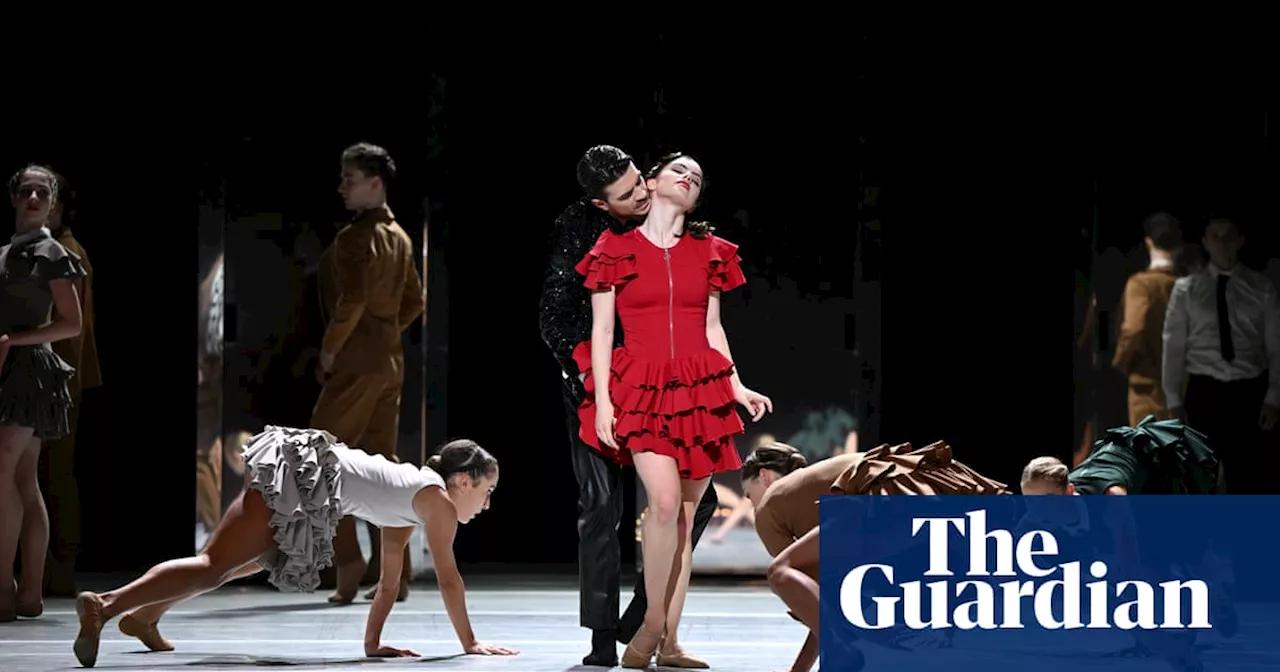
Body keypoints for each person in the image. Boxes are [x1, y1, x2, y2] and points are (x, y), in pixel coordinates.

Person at [70, 427, 517, 667]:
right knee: (213, 564)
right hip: (300, 474)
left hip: (306, 484)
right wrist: (471, 643)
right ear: (463, 481)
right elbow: (448, 579)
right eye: (487, 491)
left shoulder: (411, 504)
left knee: (237, 566)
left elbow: (386, 585)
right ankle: (105, 606)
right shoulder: (436, 500)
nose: (487, 503)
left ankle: (146, 616)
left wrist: (373, 645)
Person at [574, 151, 770, 669]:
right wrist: (604, 403)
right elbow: (601, 331)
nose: (689, 178)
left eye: (698, 177)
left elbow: (712, 329)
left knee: (684, 517)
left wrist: (736, 385)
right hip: (640, 390)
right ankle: (652, 623)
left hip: (699, 391)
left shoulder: (709, 250)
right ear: (653, 180)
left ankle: (670, 642)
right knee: (661, 503)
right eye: (680, 170)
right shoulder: (613, 247)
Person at [538, 145, 721, 666]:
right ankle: (601, 640)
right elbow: (556, 314)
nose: (640, 194)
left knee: (692, 503)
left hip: (663, 375)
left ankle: (647, 617)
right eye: (626, 195)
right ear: (600, 205)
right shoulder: (580, 228)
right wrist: (591, 388)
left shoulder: (673, 214)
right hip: (591, 372)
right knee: (600, 505)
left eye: (641, 180)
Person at [744, 441, 1007, 672]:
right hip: (922, 487)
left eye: (748, 494)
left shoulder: (769, 506)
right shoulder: (814, 487)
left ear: (764, 476)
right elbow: (825, 603)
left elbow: (807, 592)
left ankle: (851, 650)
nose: (750, 502)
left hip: (883, 494)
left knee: (780, 572)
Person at [312, 143, 426, 603]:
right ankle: (392, 568)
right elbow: (415, 301)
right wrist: (385, 334)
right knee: (381, 465)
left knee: (320, 457)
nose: (342, 186)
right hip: (389, 357)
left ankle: (348, 558)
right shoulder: (398, 234)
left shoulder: (361, 237)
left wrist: (329, 350)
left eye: (350, 178)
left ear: (375, 183)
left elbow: (351, 301)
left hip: (358, 357)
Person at [0, 165, 84, 621]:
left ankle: (6, 590)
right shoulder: (9, 253)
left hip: (28, 371)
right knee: (22, 481)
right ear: (14, 199)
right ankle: (28, 591)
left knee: (6, 475)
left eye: (42, 191)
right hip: (10, 367)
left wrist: (16, 341)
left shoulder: (51, 252)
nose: (33, 197)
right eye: (26, 190)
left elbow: (71, 323)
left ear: (53, 201)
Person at [1162, 215, 1280, 494]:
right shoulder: (1187, 289)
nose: (1222, 243)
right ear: (1205, 242)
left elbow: (1275, 345)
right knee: (1199, 477)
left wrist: (1274, 397)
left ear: (1239, 241)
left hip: (1249, 391)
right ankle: (1203, 536)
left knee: (1249, 475)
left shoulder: (1261, 288)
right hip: (1204, 390)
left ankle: (1245, 535)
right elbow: (1173, 346)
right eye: (1215, 236)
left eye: (1228, 236)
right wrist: (1174, 400)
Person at [39, 170, 102, 596]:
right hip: (51, 375)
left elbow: (71, 329)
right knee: (41, 473)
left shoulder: (65, 252)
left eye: (46, 197)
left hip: (57, 377)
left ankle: (59, 565)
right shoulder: (49, 249)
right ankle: (47, 565)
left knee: (54, 472)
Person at [1021, 415, 1221, 497]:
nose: (1038, 511)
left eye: (1048, 500)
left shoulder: (1113, 498)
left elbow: (1129, 553)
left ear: (1069, 491)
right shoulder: (1037, 512)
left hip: (1158, 462)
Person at [1112, 212, 1183, 426]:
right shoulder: (1188, 286)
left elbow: (1134, 328)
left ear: (1148, 242)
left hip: (1147, 390)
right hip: (1183, 389)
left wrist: (1120, 364)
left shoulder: (1142, 285)